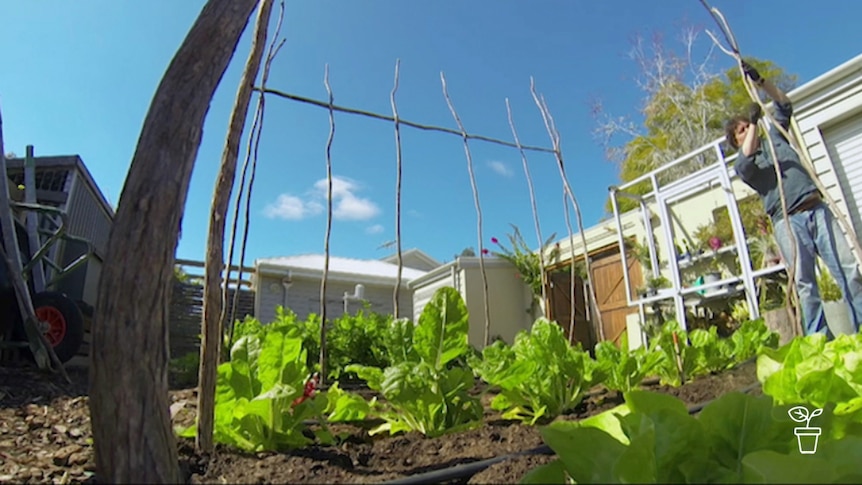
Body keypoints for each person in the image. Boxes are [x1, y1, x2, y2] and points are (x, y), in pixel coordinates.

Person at [726, 60, 862, 338]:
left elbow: (784, 104)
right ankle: (819, 340)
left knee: (848, 271)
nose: (747, 129)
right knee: (805, 284)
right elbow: (745, 158)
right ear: (736, 141)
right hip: (788, 222)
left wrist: (761, 82)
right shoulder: (745, 164)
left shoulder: (776, 137)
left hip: (817, 210)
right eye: (740, 130)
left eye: (747, 125)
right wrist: (752, 122)